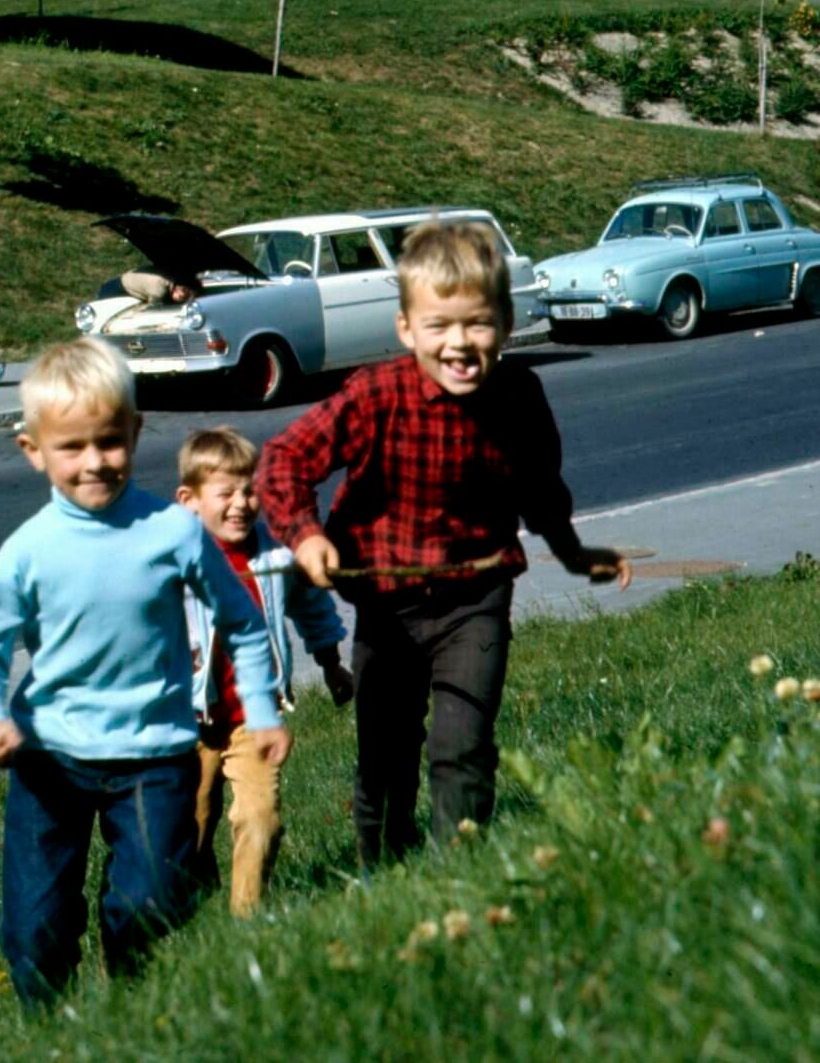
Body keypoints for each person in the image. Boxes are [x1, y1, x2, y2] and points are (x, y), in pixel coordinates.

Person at [258, 218, 627, 867]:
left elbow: (540, 490)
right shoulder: (375, 395)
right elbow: (284, 461)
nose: (459, 344)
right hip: (386, 605)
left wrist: (574, 552)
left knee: (463, 743)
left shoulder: (519, 396)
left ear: (507, 324)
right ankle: (380, 875)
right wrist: (306, 535)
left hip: (475, 599)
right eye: (439, 326)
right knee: (385, 755)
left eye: (477, 323)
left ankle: (457, 876)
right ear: (406, 329)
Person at [0, 340, 290, 1005]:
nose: (94, 462)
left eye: (109, 441)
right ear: (33, 450)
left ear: (134, 433)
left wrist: (263, 708)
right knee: (34, 930)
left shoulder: (174, 532)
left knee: (153, 901)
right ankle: (48, 1030)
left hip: (156, 756)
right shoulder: (27, 553)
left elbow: (245, 624)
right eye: (71, 447)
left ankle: (125, 980)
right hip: (49, 758)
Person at [172, 425, 355, 917]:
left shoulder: (274, 556)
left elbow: (312, 606)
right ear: (189, 500)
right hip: (188, 721)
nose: (241, 504)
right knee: (190, 824)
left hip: (256, 720)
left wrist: (332, 663)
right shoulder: (172, 562)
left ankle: (247, 919)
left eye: (250, 490)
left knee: (261, 817)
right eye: (225, 493)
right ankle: (191, 887)